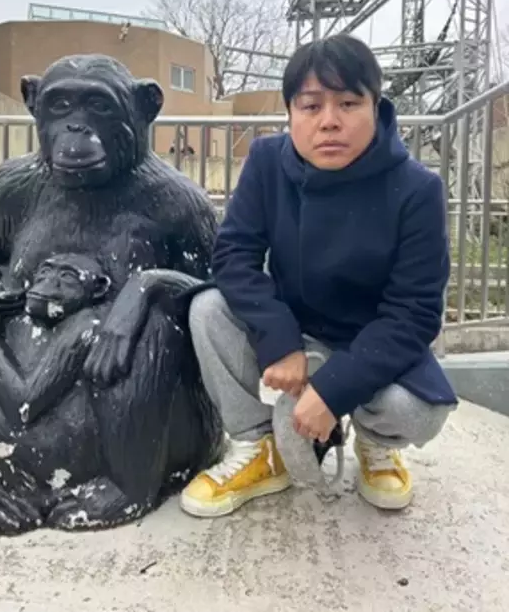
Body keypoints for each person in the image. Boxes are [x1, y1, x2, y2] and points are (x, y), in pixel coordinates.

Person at [180, 33, 458, 518]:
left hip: (369, 341)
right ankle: (260, 446)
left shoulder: (417, 189)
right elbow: (234, 255)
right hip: (296, 326)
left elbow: (414, 313)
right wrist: (279, 338)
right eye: (311, 106)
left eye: (348, 103)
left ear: (376, 106)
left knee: (420, 409)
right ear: (291, 112)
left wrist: (332, 390)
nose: (329, 121)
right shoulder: (267, 163)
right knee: (207, 310)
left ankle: (374, 443)